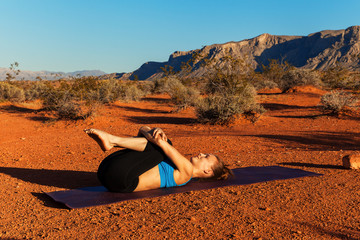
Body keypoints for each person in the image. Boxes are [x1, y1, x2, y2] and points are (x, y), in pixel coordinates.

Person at [84, 126, 232, 193]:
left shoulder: (186, 172)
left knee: (166, 144)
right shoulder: (177, 165)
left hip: (122, 180)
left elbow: (161, 143)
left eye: (206, 157)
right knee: (161, 144)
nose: (201, 153)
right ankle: (111, 141)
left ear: (207, 170)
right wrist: (152, 130)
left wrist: (157, 133)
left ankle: (112, 141)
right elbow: (142, 132)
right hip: (107, 172)